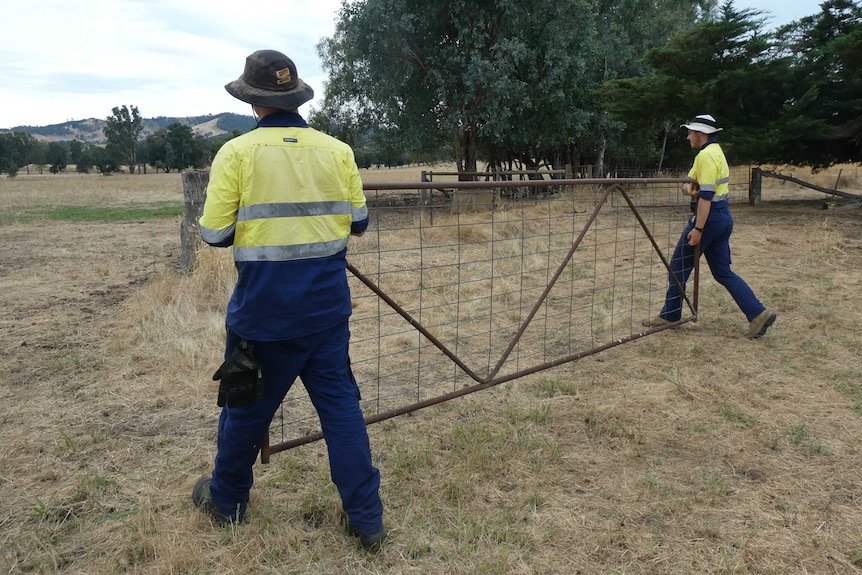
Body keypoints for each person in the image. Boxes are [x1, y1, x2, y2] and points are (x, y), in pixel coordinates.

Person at [192, 49, 386, 550]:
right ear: (294, 97)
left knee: (245, 411)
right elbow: (359, 224)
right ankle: (366, 518)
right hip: (327, 311)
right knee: (342, 412)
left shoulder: (235, 154)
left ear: (253, 102)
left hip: (263, 316)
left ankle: (226, 499)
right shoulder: (337, 151)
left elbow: (214, 235)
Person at [643, 114, 777, 338]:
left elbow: (705, 197)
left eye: (690, 133)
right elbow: (691, 183)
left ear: (701, 134)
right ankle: (758, 313)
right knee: (723, 272)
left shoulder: (705, 156)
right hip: (723, 217)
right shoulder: (716, 153)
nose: (688, 137)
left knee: (677, 268)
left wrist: (698, 230)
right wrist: (687, 188)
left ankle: (670, 315)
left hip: (709, 219)